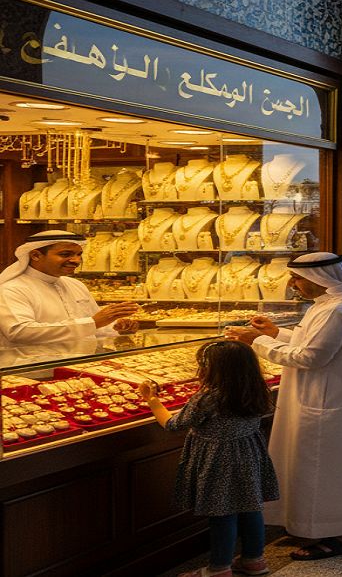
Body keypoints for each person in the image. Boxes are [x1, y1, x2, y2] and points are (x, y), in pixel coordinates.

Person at [225, 252, 342, 558]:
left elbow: (310, 357)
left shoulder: (339, 310)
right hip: (334, 399)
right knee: (322, 467)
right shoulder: (340, 303)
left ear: (321, 278)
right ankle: (318, 526)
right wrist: (275, 333)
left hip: (326, 403)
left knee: (325, 470)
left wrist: (256, 342)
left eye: (298, 277)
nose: (293, 283)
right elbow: (312, 343)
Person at [139, 341, 278, 577]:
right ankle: (255, 561)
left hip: (218, 461)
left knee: (222, 513)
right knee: (251, 508)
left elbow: (174, 424)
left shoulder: (208, 398)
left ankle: (219, 568)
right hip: (249, 455)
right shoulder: (257, 389)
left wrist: (152, 401)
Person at [0, 230, 140, 346]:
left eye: (78, 255)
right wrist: (93, 322)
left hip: (81, 366)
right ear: (36, 255)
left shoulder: (75, 285)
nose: (76, 261)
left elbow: (93, 328)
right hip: (31, 372)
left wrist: (117, 327)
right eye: (65, 254)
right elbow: (19, 332)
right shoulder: (12, 289)